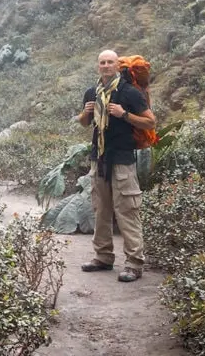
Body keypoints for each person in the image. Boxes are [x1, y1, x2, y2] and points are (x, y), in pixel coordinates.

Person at [76, 49, 156, 282]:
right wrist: (85, 112)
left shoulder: (129, 92)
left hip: (122, 160)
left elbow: (150, 121)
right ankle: (103, 257)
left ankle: (134, 263)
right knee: (101, 210)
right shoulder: (92, 92)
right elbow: (84, 123)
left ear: (117, 65)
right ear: (97, 65)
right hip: (98, 159)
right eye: (102, 62)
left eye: (110, 62)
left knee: (127, 212)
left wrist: (124, 115)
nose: (106, 66)